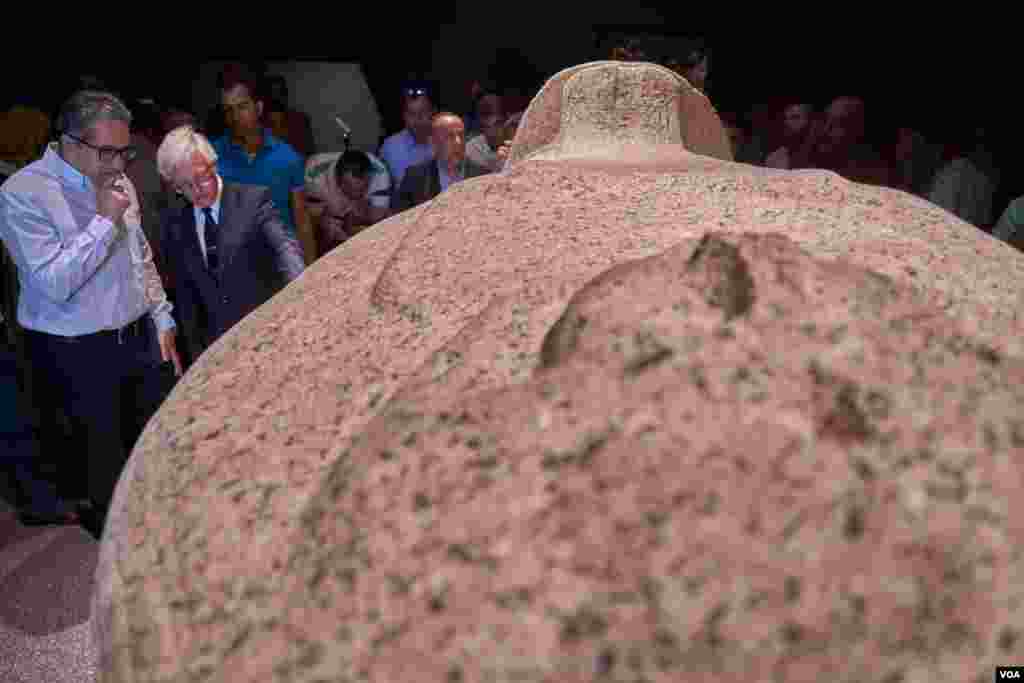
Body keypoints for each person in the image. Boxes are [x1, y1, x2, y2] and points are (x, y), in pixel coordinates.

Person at [0, 90, 182, 538]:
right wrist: (102, 223)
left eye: (125, 152)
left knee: (156, 448)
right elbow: (55, 284)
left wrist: (163, 320)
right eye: (107, 152)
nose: (119, 165)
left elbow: (140, 256)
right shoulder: (23, 194)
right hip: (77, 352)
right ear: (68, 142)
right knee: (101, 469)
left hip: (139, 336)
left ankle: (168, 537)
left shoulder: (118, 180)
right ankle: (122, 561)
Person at [157, 126, 305, 367]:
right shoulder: (175, 227)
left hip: (272, 338)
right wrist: (196, 361)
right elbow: (187, 303)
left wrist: (299, 294)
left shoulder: (254, 201)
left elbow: (286, 251)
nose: (196, 191)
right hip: (222, 356)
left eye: (201, 178)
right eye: (184, 186)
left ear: (213, 165)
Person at [212, 64, 316, 265]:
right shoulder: (211, 158)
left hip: (282, 264)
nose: (235, 117)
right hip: (235, 269)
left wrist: (312, 273)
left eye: (242, 107)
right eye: (228, 110)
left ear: (258, 108)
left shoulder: (287, 158)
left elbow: (302, 221)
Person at [391, 112, 491, 212]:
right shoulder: (415, 178)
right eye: (450, 136)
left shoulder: (483, 176)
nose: (458, 142)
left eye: (461, 135)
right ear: (433, 142)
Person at [304, 149, 392, 257]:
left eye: (362, 189)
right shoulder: (313, 177)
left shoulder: (380, 176)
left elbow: (378, 218)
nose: (356, 195)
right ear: (338, 180)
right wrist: (325, 220)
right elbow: (311, 216)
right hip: (322, 199)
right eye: (351, 190)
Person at [379, 82, 436, 189]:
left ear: (433, 112)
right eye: (411, 114)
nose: (418, 119)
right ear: (404, 116)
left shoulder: (445, 138)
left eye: (423, 112)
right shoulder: (391, 147)